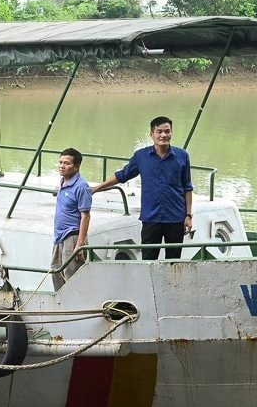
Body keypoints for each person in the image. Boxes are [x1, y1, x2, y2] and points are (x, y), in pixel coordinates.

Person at [94, 115, 193, 260]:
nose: (163, 135)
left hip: (176, 218)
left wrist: (188, 215)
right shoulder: (141, 156)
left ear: (172, 133)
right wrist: (97, 188)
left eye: (167, 131)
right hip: (151, 218)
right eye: (159, 131)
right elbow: (122, 175)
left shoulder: (182, 156)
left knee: (174, 260)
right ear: (151, 134)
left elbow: (187, 187)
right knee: (148, 259)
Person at [51, 147, 92, 290]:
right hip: (59, 236)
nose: (62, 166)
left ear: (77, 166)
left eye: (67, 163)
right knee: (56, 271)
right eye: (60, 162)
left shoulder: (81, 187)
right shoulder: (63, 181)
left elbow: (85, 216)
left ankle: (76, 308)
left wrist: (80, 244)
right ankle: (61, 307)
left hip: (72, 236)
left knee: (72, 276)